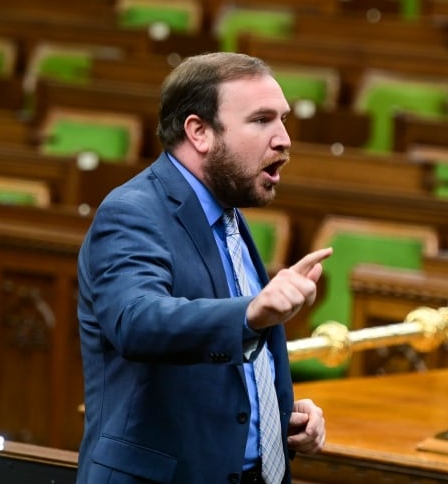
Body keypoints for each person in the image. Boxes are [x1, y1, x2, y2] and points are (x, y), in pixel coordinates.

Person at [76, 51, 332, 484]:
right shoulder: (133, 211)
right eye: (261, 120)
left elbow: (223, 359)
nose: (284, 139)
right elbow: (137, 320)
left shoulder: (229, 218)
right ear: (199, 132)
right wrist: (251, 313)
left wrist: (277, 412)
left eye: (283, 120)